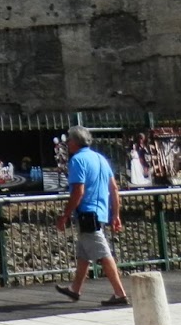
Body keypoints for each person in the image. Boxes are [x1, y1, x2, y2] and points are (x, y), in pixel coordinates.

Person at [55, 126, 129, 307]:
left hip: (87, 213)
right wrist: (116, 214)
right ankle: (75, 289)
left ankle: (120, 293)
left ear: (75, 141)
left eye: (69, 140)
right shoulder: (100, 159)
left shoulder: (77, 160)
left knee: (103, 253)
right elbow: (114, 189)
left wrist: (65, 215)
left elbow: (78, 191)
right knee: (84, 253)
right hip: (100, 211)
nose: (67, 143)